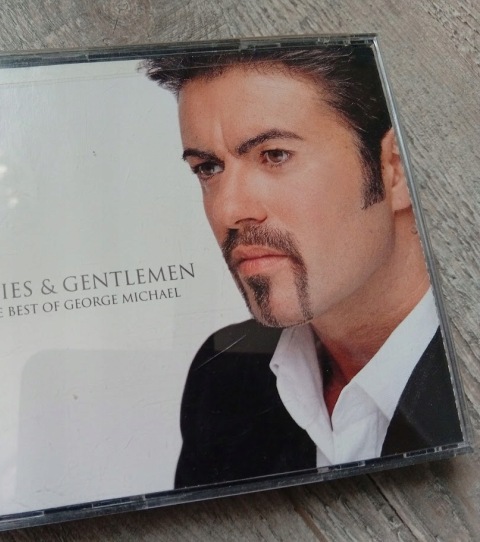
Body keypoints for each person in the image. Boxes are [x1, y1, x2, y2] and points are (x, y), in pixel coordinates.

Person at [143, 45, 463, 488]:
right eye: (209, 167)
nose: (229, 210)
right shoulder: (225, 375)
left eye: (274, 155)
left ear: (396, 168)